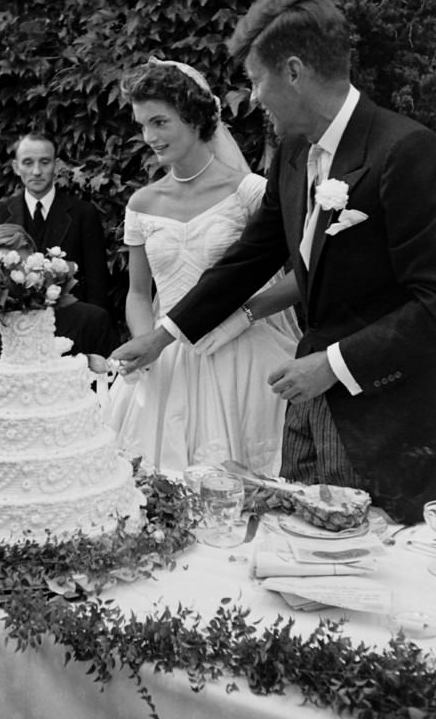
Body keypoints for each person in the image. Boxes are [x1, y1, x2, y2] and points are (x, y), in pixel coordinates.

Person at [112, 0, 436, 524]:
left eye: (257, 80)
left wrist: (334, 364)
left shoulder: (407, 152)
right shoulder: (295, 155)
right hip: (303, 409)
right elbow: (250, 258)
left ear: (294, 72)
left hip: (385, 420)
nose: (253, 97)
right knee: (299, 553)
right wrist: (164, 336)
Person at [107, 58, 301, 477]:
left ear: (194, 118)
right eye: (143, 125)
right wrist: (148, 346)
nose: (150, 137)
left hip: (240, 356)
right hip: (165, 359)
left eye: (160, 122)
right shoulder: (141, 204)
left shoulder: (250, 193)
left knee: (240, 488)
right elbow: (139, 294)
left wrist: (241, 318)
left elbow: (302, 277)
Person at [0, 224, 116, 402]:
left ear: (38, 265)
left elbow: (112, 396)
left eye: (19, 266)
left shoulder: (90, 321)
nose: (11, 278)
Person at [0, 131, 112, 310]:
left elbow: (97, 281)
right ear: (16, 167)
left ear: (56, 165)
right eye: (27, 163)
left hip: (72, 320)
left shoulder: (83, 213)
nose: (36, 172)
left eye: (44, 162)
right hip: (17, 321)